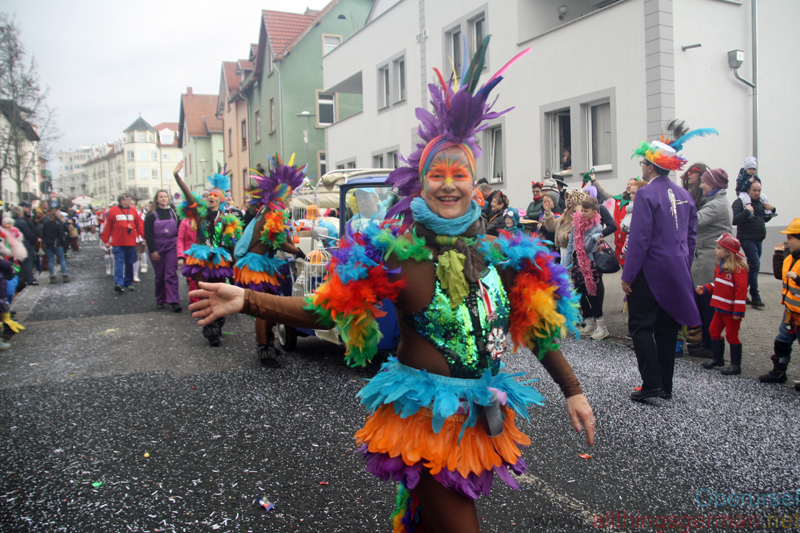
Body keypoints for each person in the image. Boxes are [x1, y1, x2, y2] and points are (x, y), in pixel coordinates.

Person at [188, 40, 595, 532]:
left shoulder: (500, 254)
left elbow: (536, 328)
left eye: (459, 174)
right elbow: (328, 312)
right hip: (422, 421)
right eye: (436, 175)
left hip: (479, 411)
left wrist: (572, 389)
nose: (449, 184)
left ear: (475, 183)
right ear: (420, 185)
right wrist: (249, 299)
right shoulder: (399, 255)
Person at [623, 120, 716, 401]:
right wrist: (682, 265)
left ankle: (651, 383)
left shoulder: (646, 194)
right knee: (666, 329)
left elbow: (640, 239)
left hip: (649, 271)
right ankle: (665, 385)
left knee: (640, 327)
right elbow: (691, 237)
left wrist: (628, 276)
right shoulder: (685, 194)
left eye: (643, 163)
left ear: (651, 167)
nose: (641, 167)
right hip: (677, 270)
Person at [233, 156, 306, 367]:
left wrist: (295, 247)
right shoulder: (272, 213)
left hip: (263, 263)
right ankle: (264, 350)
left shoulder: (271, 211)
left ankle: (268, 344)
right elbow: (281, 242)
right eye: (289, 196)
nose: (290, 200)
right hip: (255, 265)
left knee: (268, 308)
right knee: (263, 310)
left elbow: (282, 238)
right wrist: (300, 252)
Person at [173, 161, 242, 346]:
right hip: (201, 257)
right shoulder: (199, 215)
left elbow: (231, 243)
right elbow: (188, 196)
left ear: (220, 200)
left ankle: (217, 322)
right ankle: (210, 328)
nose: (211, 197)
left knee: (218, 291)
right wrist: (177, 177)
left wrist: (236, 261)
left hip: (218, 259)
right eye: (209, 195)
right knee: (203, 291)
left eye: (215, 196)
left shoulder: (227, 220)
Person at [687, 168, 732, 358]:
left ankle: (711, 345)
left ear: (713, 184)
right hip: (704, 258)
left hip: (707, 260)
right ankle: (708, 342)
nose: (702, 186)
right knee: (704, 303)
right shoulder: (715, 202)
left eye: (704, 183)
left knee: (707, 304)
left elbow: (695, 221)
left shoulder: (716, 205)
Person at [695, 233, 748, 374]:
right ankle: (717, 359)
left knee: (732, 336)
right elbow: (717, 285)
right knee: (713, 331)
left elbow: (741, 291)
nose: (715, 250)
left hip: (730, 311)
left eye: (718, 248)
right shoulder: (720, 267)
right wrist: (705, 288)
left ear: (728, 252)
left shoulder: (738, 270)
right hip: (719, 308)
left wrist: (738, 311)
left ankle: (735, 365)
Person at [759, 218, 800, 385]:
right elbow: (779, 274)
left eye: (790, 237)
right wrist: (777, 255)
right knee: (782, 341)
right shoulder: (790, 258)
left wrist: (798, 278)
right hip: (791, 311)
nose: (787, 241)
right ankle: (779, 371)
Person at [566, 197, 609, 340]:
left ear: (594, 212)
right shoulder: (576, 224)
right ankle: (590, 323)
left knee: (593, 295)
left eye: (586, 211)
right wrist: (565, 266)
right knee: (579, 293)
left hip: (590, 265)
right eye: (582, 210)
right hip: (577, 263)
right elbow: (571, 245)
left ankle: (602, 327)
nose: (583, 213)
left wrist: (593, 237)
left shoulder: (597, 227)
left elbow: (587, 247)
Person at [731, 179, 776, 309]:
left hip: (759, 238)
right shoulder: (740, 202)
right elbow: (734, 220)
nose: (757, 193)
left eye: (759, 190)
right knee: (755, 264)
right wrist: (747, 211)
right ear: (748, 190)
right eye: (754, 190)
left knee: (751, 267)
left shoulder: (760, 202)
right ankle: (755, 296)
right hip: (746, 238)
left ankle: (742, 294)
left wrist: (772, 209)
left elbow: (762, 219)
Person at [144, 190, 182, 312]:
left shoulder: (174, 212)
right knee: (159, 276)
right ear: (157, 199)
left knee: (171, 274)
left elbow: (180, 228)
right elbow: (148, 234)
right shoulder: (150, 215)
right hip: (157, 247)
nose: (164, 198)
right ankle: (160, 300)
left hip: (172, 246)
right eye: (161, 197)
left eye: (166, 196)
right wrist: (152, 250)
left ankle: (174, 301)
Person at [101, 193, 144, 293]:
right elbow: (108, 227)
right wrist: (106, 240)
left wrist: (144, 236)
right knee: (119, 263)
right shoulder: (113, 211)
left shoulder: (133, 211)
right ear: (122, 201)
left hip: (131, 243)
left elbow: (139, 225)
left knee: (129, 263)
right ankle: (119, 283)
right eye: (128, 200)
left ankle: (128, 283)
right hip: (117, 243)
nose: (130, 202)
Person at [543, 188, 585, 262]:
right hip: (562, 247)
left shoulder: (579, 213)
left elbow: (580, 234)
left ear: (577, 198)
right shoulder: (566, 212)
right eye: (567, 197)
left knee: (568, 270)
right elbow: (552, 227)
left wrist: (566, 237)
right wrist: (548, 211)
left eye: (571, 197)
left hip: (570, 248)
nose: (568, 199)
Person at [40, 209, 70, 283]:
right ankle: (64, 275)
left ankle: (52, 276)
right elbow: (61, 235)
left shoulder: (46, 223)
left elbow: (43, 234)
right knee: (62, 260)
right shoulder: (58, 224)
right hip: (57, 243)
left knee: (50, 260)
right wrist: (64, 244)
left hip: (47, 244)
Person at [12, 204, 37, 287]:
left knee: (17, 263)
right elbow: (28, 234)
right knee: (28, 263)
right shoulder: (22, 222)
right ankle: (29, 280)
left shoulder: (10, 221)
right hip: (25, 244)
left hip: (13, 245)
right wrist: (33, 241)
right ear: (20, 213)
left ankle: (18, 280)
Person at [177, 215, 199, 305]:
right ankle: (194, 303)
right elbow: (180, 239)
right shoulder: (185, 222)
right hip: (189, 255)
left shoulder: (204, 220)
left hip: (203, 255)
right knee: (193, 280)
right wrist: (180, 256)